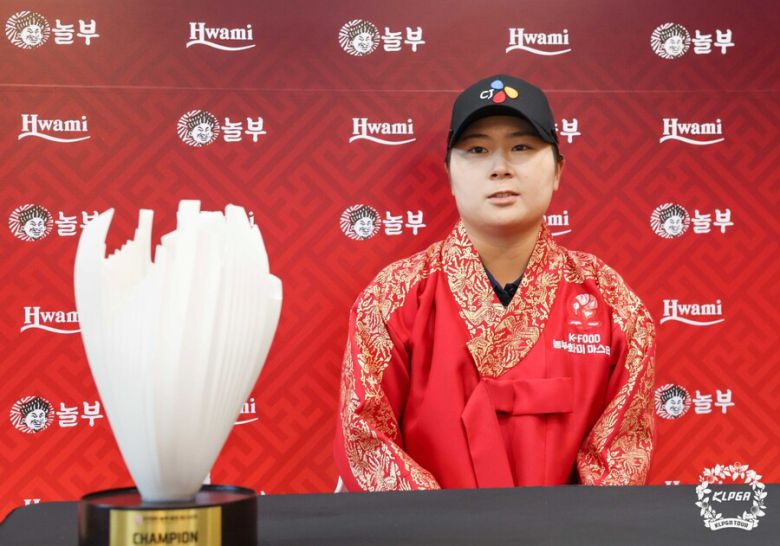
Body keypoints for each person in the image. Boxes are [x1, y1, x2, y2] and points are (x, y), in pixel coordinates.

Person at [334, 75, 656, 491]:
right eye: (477, 150)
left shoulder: (610, 303)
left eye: (521, 147)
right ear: (449, 173)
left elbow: (621, 454)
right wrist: (447, 523)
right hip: (432, 528)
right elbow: (366, 439)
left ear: (558, 170)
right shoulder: (393, 299)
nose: (500, 167)